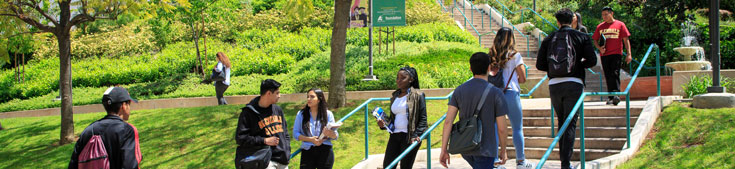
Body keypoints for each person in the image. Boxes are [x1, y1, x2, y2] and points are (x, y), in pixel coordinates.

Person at [536, 8, 597, 169]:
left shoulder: (549, 39)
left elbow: (539, 65)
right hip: (574, 83)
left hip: (554, 84)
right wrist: (578, 65)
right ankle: (565, 163)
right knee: (570, 123)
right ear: (573, 20)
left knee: (561, 121)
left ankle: (564, 160)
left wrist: (554, 68)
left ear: (557, 21)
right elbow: (592, 60)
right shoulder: (582, 36)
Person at [440, 52, 509, 169]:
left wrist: (443, 149)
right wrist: (503, 150)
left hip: (466, 147)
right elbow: (502, 128)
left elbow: (448, 121)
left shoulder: (459, 90)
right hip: (486, 149)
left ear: (470, 68)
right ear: (489, 67)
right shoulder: (496, 93)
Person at [488, 27, 533, 169]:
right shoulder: (515, 55)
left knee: (495, 128)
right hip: (511, 93)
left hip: (495, 95)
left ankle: (495, 162)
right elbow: (523, 78)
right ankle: (520, 161)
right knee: (517, 128)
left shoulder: (491, 55)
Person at [68, 87, 142, 169]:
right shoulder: (128, 130)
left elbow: (73, 164)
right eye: (129, 104)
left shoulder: (88, 130)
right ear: (123, 106)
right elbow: (130, 165)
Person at [377, 66, 428, 169]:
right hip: (394, 136)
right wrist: (383, 124)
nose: (398, 80)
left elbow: (423, 119)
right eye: (397, 78)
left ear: (411, 79)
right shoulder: (395, 96)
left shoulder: (418, 95)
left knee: (405, 167)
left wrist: (416, 135)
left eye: (402, 78)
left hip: (409, 137)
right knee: (388, 166)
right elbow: (393, 118)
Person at [235, 79, 291, 169]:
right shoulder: (249, 113)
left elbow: (285, 133)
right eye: (277, 93)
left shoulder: (278, 110)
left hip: (283, 160)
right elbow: (240, 138)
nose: (279, 96)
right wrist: (264, 141)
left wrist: (287, 149)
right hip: (265, 161)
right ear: (269, 93)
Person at [593, 6, 632, 106]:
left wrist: (629, 54)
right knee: (608, 74)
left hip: (616, 54)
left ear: (612, 13)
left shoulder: (620, 25)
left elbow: (626, 40)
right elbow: (595, 40)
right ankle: (611, 97)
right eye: (603, 15)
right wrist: (599, 48)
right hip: (604, 55)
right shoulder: (600, 27)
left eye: (606, 14)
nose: (604, 17)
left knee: (615, 73)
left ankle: (616, 95)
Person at [293, 88, 338, 169]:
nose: (308, 99)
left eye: (312, 97)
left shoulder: (328, 114)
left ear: (319, 99)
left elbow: (335, 136)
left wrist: (331, 134)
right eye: (308, 97)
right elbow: (295, 134)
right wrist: (311, 139)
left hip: (325, 151)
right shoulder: (301, 114)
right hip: (308, 151)